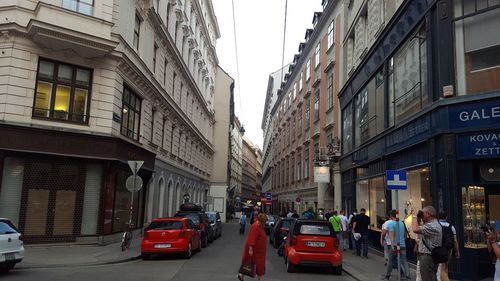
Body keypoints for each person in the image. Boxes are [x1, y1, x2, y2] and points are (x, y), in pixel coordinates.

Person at [412, 206, 442, 281]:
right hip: (429, 256)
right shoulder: (432, 224)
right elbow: (418, 227)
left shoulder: (433, 225)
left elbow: (415, 229)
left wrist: (414, 216)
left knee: (427, 278)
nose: (421, 215)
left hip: (427, 257)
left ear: (428, 214)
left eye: (423, 213)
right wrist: (418, 217)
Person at [381, 210, 411, 280]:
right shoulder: (401, 223)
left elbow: (391, 235)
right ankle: (408, 276)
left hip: (395, 245)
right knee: (404, 261)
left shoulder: (391, 224)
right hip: (402, 245)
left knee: (390, 261)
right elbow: (404, 235)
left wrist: (391, 245)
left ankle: (387, 276)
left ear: (391, 216)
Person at [238, 213, 268, 281]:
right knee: (256, 265)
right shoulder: (256, 226)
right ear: (261, 220)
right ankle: (260, 279)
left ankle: (241, 275)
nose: (265, 223)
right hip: (255, 251)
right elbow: (252, 238)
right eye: (264, 221)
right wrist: (250, 249)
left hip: (259, 251)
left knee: (250, 264)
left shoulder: (260, 226)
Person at [437, 212, 460, 281]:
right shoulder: (451, 227)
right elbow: (455, 241)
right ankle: (446, 277)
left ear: (438, 217)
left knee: (440, 267)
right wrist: (457, 251)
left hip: (439, 249)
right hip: (449, 249)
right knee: (446, 265)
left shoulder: (436, 226)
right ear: (446, 217)